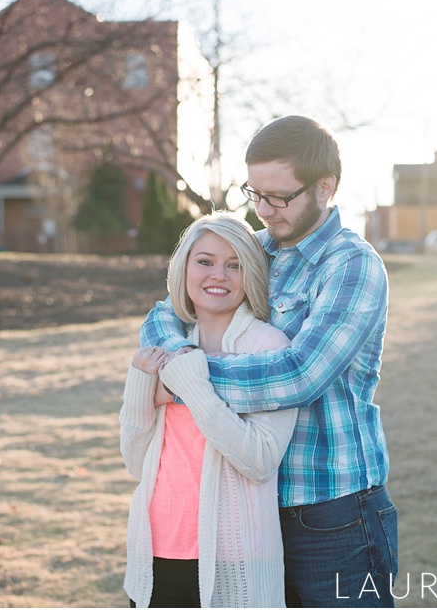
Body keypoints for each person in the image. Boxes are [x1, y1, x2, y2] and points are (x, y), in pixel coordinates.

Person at [141, 115, 397, 607]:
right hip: (249, 508)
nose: (262, 209)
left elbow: (298, 374)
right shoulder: (252, 250)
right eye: (253, 193)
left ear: (326, 187)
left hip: (333, 513)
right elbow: (165, 312)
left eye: (278, 197)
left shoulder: (351, 265)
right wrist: (176, 360)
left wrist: (179, 382)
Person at [121, 212, 298, 608]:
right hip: (155, 551)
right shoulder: (171, 344)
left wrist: (191, 385)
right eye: (205, 261)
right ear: (183, 269)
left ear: (250, 274)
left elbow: (261, 459)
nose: (218, 274)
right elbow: (136, 463)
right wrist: (139, 383)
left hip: (233, 556)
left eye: (234, 265)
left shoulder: (268, 347)